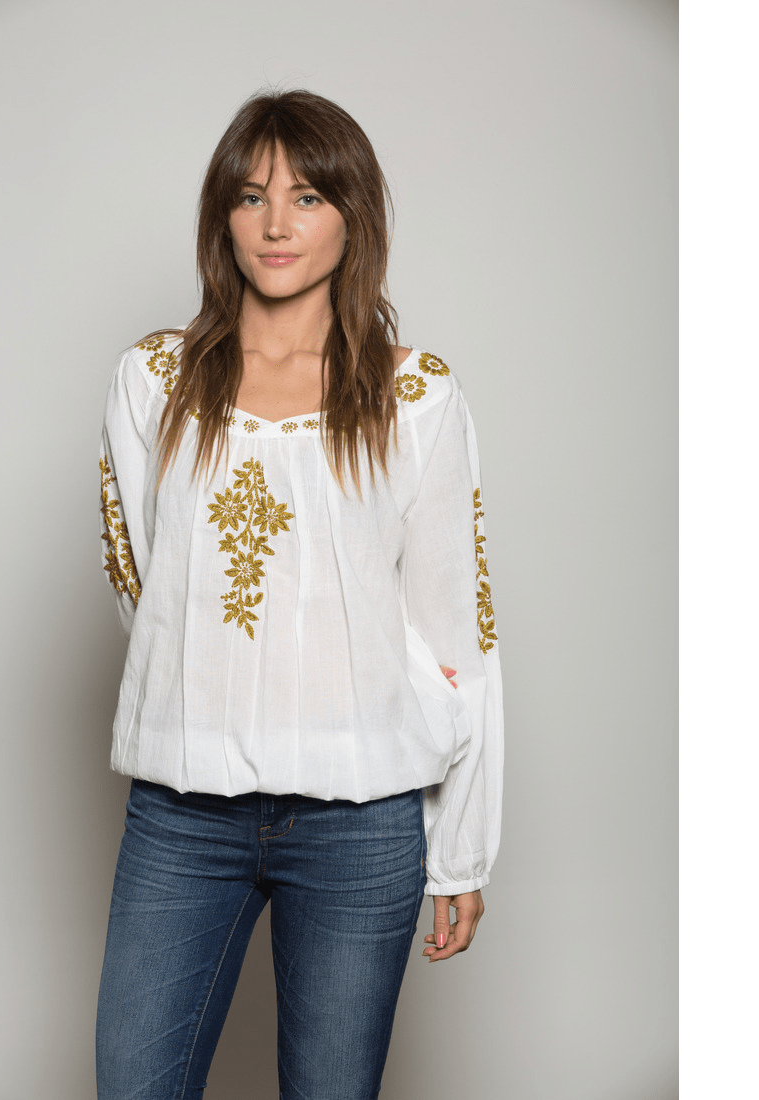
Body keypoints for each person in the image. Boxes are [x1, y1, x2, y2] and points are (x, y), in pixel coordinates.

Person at [95, 88, 503, 1100]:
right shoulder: (154, 380)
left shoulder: (415, 397)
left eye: (308, 196)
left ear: (352, 216)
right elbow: (144, 583)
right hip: (181, 815)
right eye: (251, 196)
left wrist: (459, 847)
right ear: (221, 217)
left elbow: (459, 628)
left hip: (359, 823)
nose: (276, 223)